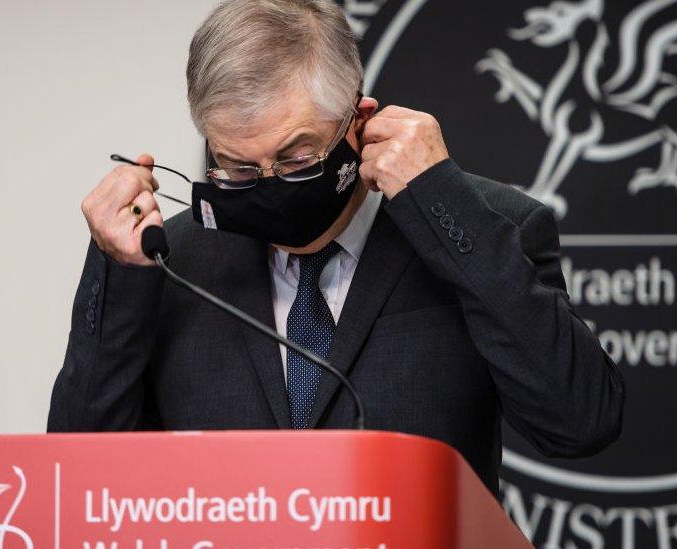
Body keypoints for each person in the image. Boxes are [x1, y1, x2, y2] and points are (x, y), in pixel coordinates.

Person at [47, 0, 624, 493]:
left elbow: (580, 422)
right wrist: (119, 273)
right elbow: (76, 479)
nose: (269, 184)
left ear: (359, 120)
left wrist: (446, 205)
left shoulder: (484, 225)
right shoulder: (174, 259)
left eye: (297, 158)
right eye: (239, 169)